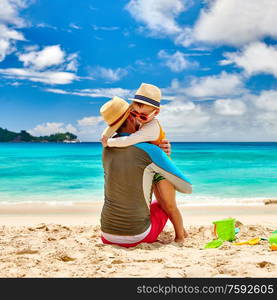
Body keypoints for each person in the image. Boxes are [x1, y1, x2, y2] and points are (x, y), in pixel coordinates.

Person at [99, 96, 192, 247]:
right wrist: (163, 157)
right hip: (138, 236)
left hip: (107, 235)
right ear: (130, 118)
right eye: (136, 114)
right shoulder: (149, 150)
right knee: (164, 204)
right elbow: (187, 187)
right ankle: (181, 233)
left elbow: (131, 163)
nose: (141, 120)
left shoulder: (106, 149)